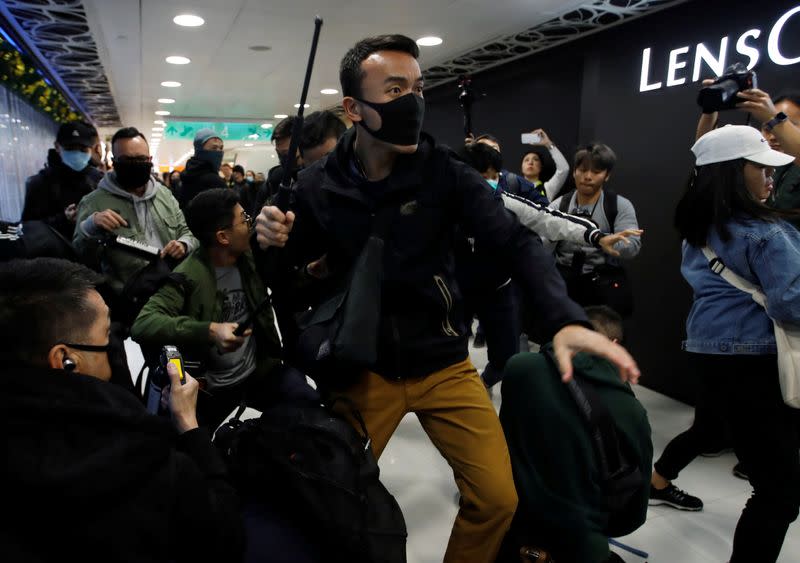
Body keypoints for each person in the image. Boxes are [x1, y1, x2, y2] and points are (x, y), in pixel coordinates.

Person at [255, 34, 640, 563]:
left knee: (497, 499)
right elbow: (285, 277)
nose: (412, 100)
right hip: (363, 370)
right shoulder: (316, 185)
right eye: (394, 88)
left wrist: (562, 318)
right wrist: (270, 240)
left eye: (417, 86)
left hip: (444, 363)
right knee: (332, 501)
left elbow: (517, 240)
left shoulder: (444, 174)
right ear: (354, 108)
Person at [0, 257, 244, 563]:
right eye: (106, 337)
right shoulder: (140, 462)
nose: (113, 347)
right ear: (66, 361)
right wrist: (190, 427)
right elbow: (225, 536)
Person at [671, 124, 800, 562]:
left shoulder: (700, 230)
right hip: (757, 361)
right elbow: (792, 304)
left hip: (711, 355)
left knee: (769, 480)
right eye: (760, 167)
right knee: (779, 492)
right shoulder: (765, 233)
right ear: (730, 172)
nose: (770, 177)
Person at [131, 189, 313, 431]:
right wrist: (210, 330)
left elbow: (283, 282)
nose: (250, 224)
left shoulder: (248, 257)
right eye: (244, 219)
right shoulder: (187, 276)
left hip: (258, 372)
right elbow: (143, 324)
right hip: (212, 388)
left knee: (307, 403)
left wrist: (311, 273)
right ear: (223, 237)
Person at [498, 305, 652, 563]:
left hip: (511, 529)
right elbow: (633, 515)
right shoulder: (632, 412)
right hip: (580, 545)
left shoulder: (519, 369)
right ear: (613, 344)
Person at [73, 127, 196, 295]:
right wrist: (90, 226)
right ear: (114, 161)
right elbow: (81, 256)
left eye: (140, 159)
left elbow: (187, 232)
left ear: (150, 159)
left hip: (172, 287)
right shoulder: (93, 202)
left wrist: (183, 244)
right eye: (126, 160)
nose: (134, 165)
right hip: (129, 297)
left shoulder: (164, 194)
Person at [550, 143, 642, 317]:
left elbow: (632, 247)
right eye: (583, 170)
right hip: (563, 285)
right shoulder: (559, 205)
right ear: (574, 171)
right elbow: (541, 246)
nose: (588, 177)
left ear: (607, 175)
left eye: (596, 172)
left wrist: (607, 240)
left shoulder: (619, 206)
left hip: (601, 287)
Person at [698, 87, 800, 230]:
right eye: (767, 128)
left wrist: (774, 118)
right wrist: (710, 109)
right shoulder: (754, 162)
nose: (773, 136)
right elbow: (709, 153)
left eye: (784, 123)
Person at [21, 121, 103, 240]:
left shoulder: (99, 180)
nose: (77, 154)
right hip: (53, 253)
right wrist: (63, 219)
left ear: (91, 149)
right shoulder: (40, 182)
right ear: (57, 147)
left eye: (83, 149)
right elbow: (28, 228)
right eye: (70, 148)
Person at [179, 128, 227, 208]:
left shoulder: (187, 174)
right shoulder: (214, 180)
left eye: (221, 148)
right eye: (214, 148)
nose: (219, 152)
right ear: (200, 150)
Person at [520, 128, 570, 201]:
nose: (530, 162)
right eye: (526, 160)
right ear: (521, 168)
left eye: (535, 159)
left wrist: (548, 143)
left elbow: (564, 169)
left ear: (540, 167)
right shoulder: (512, 187)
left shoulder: (547, 188)